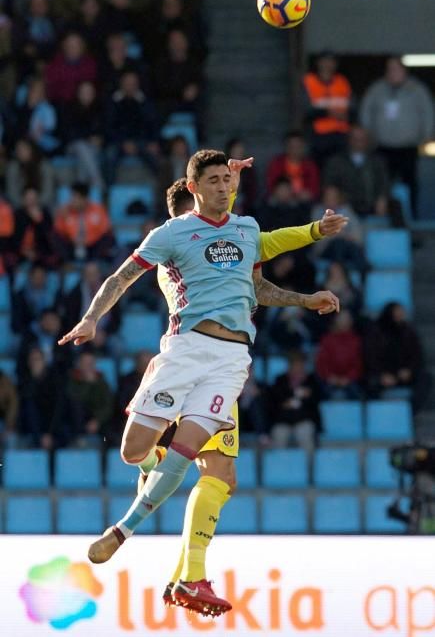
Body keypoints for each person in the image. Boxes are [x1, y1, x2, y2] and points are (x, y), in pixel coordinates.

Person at [58, 149, 341, 615]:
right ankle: (173, 527)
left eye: (227, 180)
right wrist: (91, 319)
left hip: (230, 361)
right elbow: (122, 276)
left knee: (214, 472)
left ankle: (154, 549)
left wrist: (309, 278)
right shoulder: (172, 239)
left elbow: (261, 269)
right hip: (185, 351)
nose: (224, 187)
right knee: (143, 453)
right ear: (191, 191)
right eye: (214, 181)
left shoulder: (245, 229)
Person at [360, 57, 434, 218]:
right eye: (390, 69)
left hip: (408, 146)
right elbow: (366, 111)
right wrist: (367, 135)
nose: (393, 72)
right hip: (383, 146)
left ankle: (412, 218)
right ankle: (383, 216)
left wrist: (426, 136)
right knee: (382, 184)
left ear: (404, 70)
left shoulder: (417, 89)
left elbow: (427, 113)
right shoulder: (377, 89)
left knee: (411, 184)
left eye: (396, 69)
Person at [302, 51, 354, 168]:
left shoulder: (342, 82)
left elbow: (352, 108)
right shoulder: (309, 81)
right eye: (324, 61)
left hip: (340, 136)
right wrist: (329, 113)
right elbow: (305, 110)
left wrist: (345, 115)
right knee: (318, 168)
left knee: (340, 169)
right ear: (318, 63)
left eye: (331, 61)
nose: (328, 65)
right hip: (318, 137)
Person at [268, 351, 322, 455]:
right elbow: (275, 401)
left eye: (300, 365)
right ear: (289, 366)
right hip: (283, 420)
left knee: (304, 432)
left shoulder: (311, 380)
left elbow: (317, 400)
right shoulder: (280, 380)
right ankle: (279, 467)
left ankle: (310, 468)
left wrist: (310, 395)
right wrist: (286, 403)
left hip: (304, 419)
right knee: (279, 433)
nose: (298, 368)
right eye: (295, 365)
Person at [53, 182, 114, 261]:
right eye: (71, 197)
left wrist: (86, 241)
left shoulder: (98, 210)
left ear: (84, 199)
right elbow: (58, 231)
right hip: (71, 246)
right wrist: (60, 216)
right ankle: (66, 263)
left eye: (75, 197)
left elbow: (106, 230)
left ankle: (94, 263)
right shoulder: (65, 211)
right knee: (55, 238)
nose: (72, 201)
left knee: (108, 238)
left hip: (93, 247)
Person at [316, 309, 363, 399]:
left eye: (347, 319)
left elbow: (358, 363)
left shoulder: (356, 340)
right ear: (336, 320)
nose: (344, 322)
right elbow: (322, 362)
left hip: (351, 380)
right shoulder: (327, 340)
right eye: (341, 319)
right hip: (329, 380)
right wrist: (330, 377)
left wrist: (348, 378)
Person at [266, 130, 319, 200]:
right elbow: (271, 186)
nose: (295, 150)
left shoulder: (310, 166)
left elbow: (314, 189)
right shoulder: (277, 164)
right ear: (286, 147)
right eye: (292, 146)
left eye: (298, 146)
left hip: (303, 202)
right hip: (281, 200)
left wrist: (307, 194)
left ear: (303, 147)